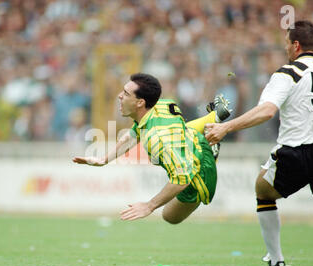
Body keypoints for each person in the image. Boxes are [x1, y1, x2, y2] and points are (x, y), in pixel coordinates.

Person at [205, 20, 313, 266]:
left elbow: (267, 110)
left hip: (293, 152)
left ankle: (276, 261)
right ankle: (275, 260)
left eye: (286, 43)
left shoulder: (288, 73)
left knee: (263, 191)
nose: (285, 48)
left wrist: (225, 128)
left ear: (296, 45)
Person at [73, 73, 230, 223]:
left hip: (198, 173)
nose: (120, 96)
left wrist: (150, 205)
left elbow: (182, 177)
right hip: (191, 140)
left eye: (126, 94)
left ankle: (211, 148)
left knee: (169, 216)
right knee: (181, 133)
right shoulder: (161, 105)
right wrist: (104, 159)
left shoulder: (157, 139)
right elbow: (133, 135)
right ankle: (212, 120)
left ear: (140, 102)